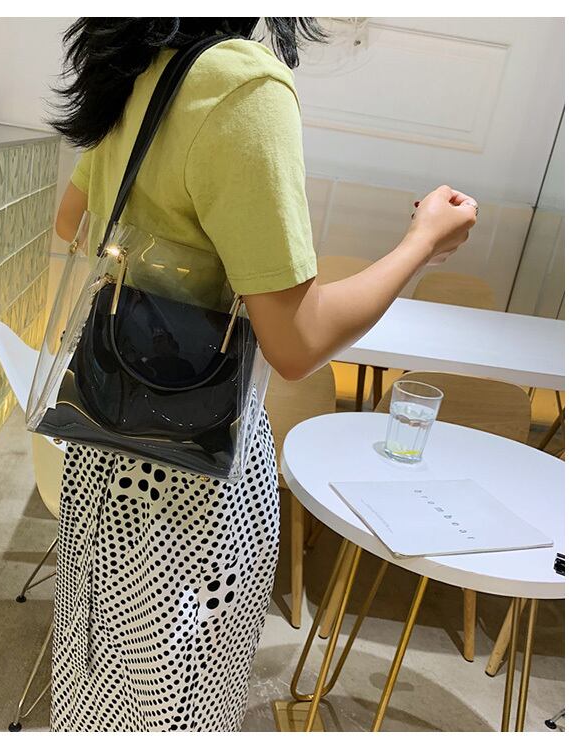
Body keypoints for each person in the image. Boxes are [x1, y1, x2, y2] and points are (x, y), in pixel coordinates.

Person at [49, 17, 478, 732]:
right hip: (194, 461)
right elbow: (297, 342)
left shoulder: (133, 65)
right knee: (178, 696)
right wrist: (420, 243)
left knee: (99, 674)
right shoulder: (243, 85)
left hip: (102, 437)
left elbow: (73, 223)